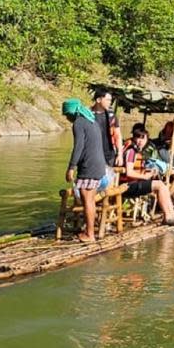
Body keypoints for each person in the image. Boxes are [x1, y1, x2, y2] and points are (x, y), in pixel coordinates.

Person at [63, 98, 112, 243]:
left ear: (72, 112)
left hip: (89, 166)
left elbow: (78, 147)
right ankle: (91, 230)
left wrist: (71, 167)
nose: (67, 118)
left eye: (67, 115)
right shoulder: (91, 121)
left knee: (87, 200)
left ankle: (90, 234)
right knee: (89, 199)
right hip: (98, 165)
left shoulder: (79, 122)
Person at [121, 125, 174, 225]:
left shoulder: (139, 151)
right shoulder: (131, 152)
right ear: (134, 138)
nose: (140, 141)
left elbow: (137, 170)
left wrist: (150, 171)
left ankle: (172, 215)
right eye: (138, 138)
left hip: (136, 183)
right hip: (128, 186)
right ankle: (168, 216)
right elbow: (129, 172)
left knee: (161, 184)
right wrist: (145, 176)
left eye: (143, 138)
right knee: (160, 185)